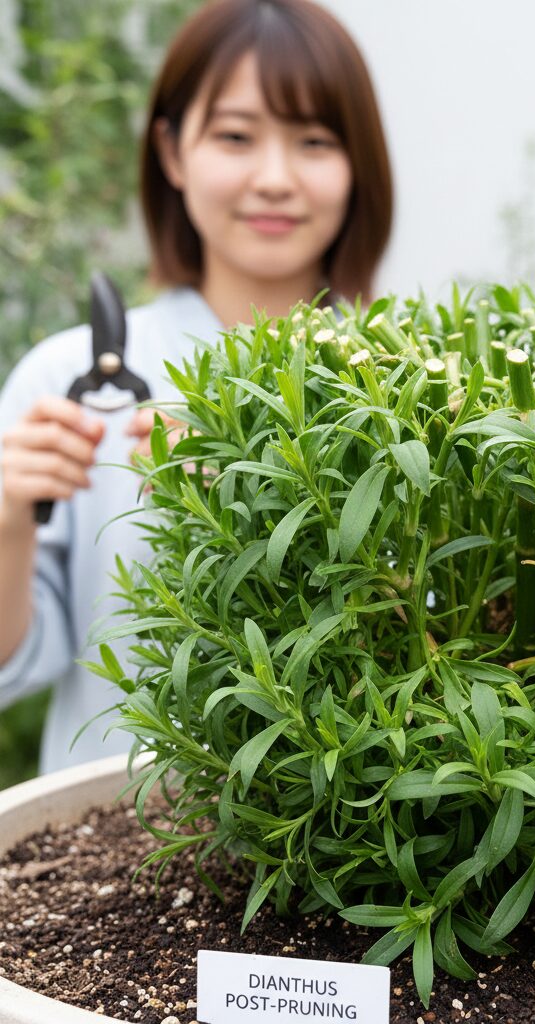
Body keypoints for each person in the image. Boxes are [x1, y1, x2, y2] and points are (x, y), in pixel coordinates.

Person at [0, 0, 393, 774]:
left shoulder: (410, 381)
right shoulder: (67, 379)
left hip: (356, 854)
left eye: (314, 141)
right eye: (236, 136)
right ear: (173, 153)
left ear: (359, 163)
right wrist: (9, 518)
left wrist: (254, 512)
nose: (274, 179)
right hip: (110, 854)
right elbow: (16, 664)